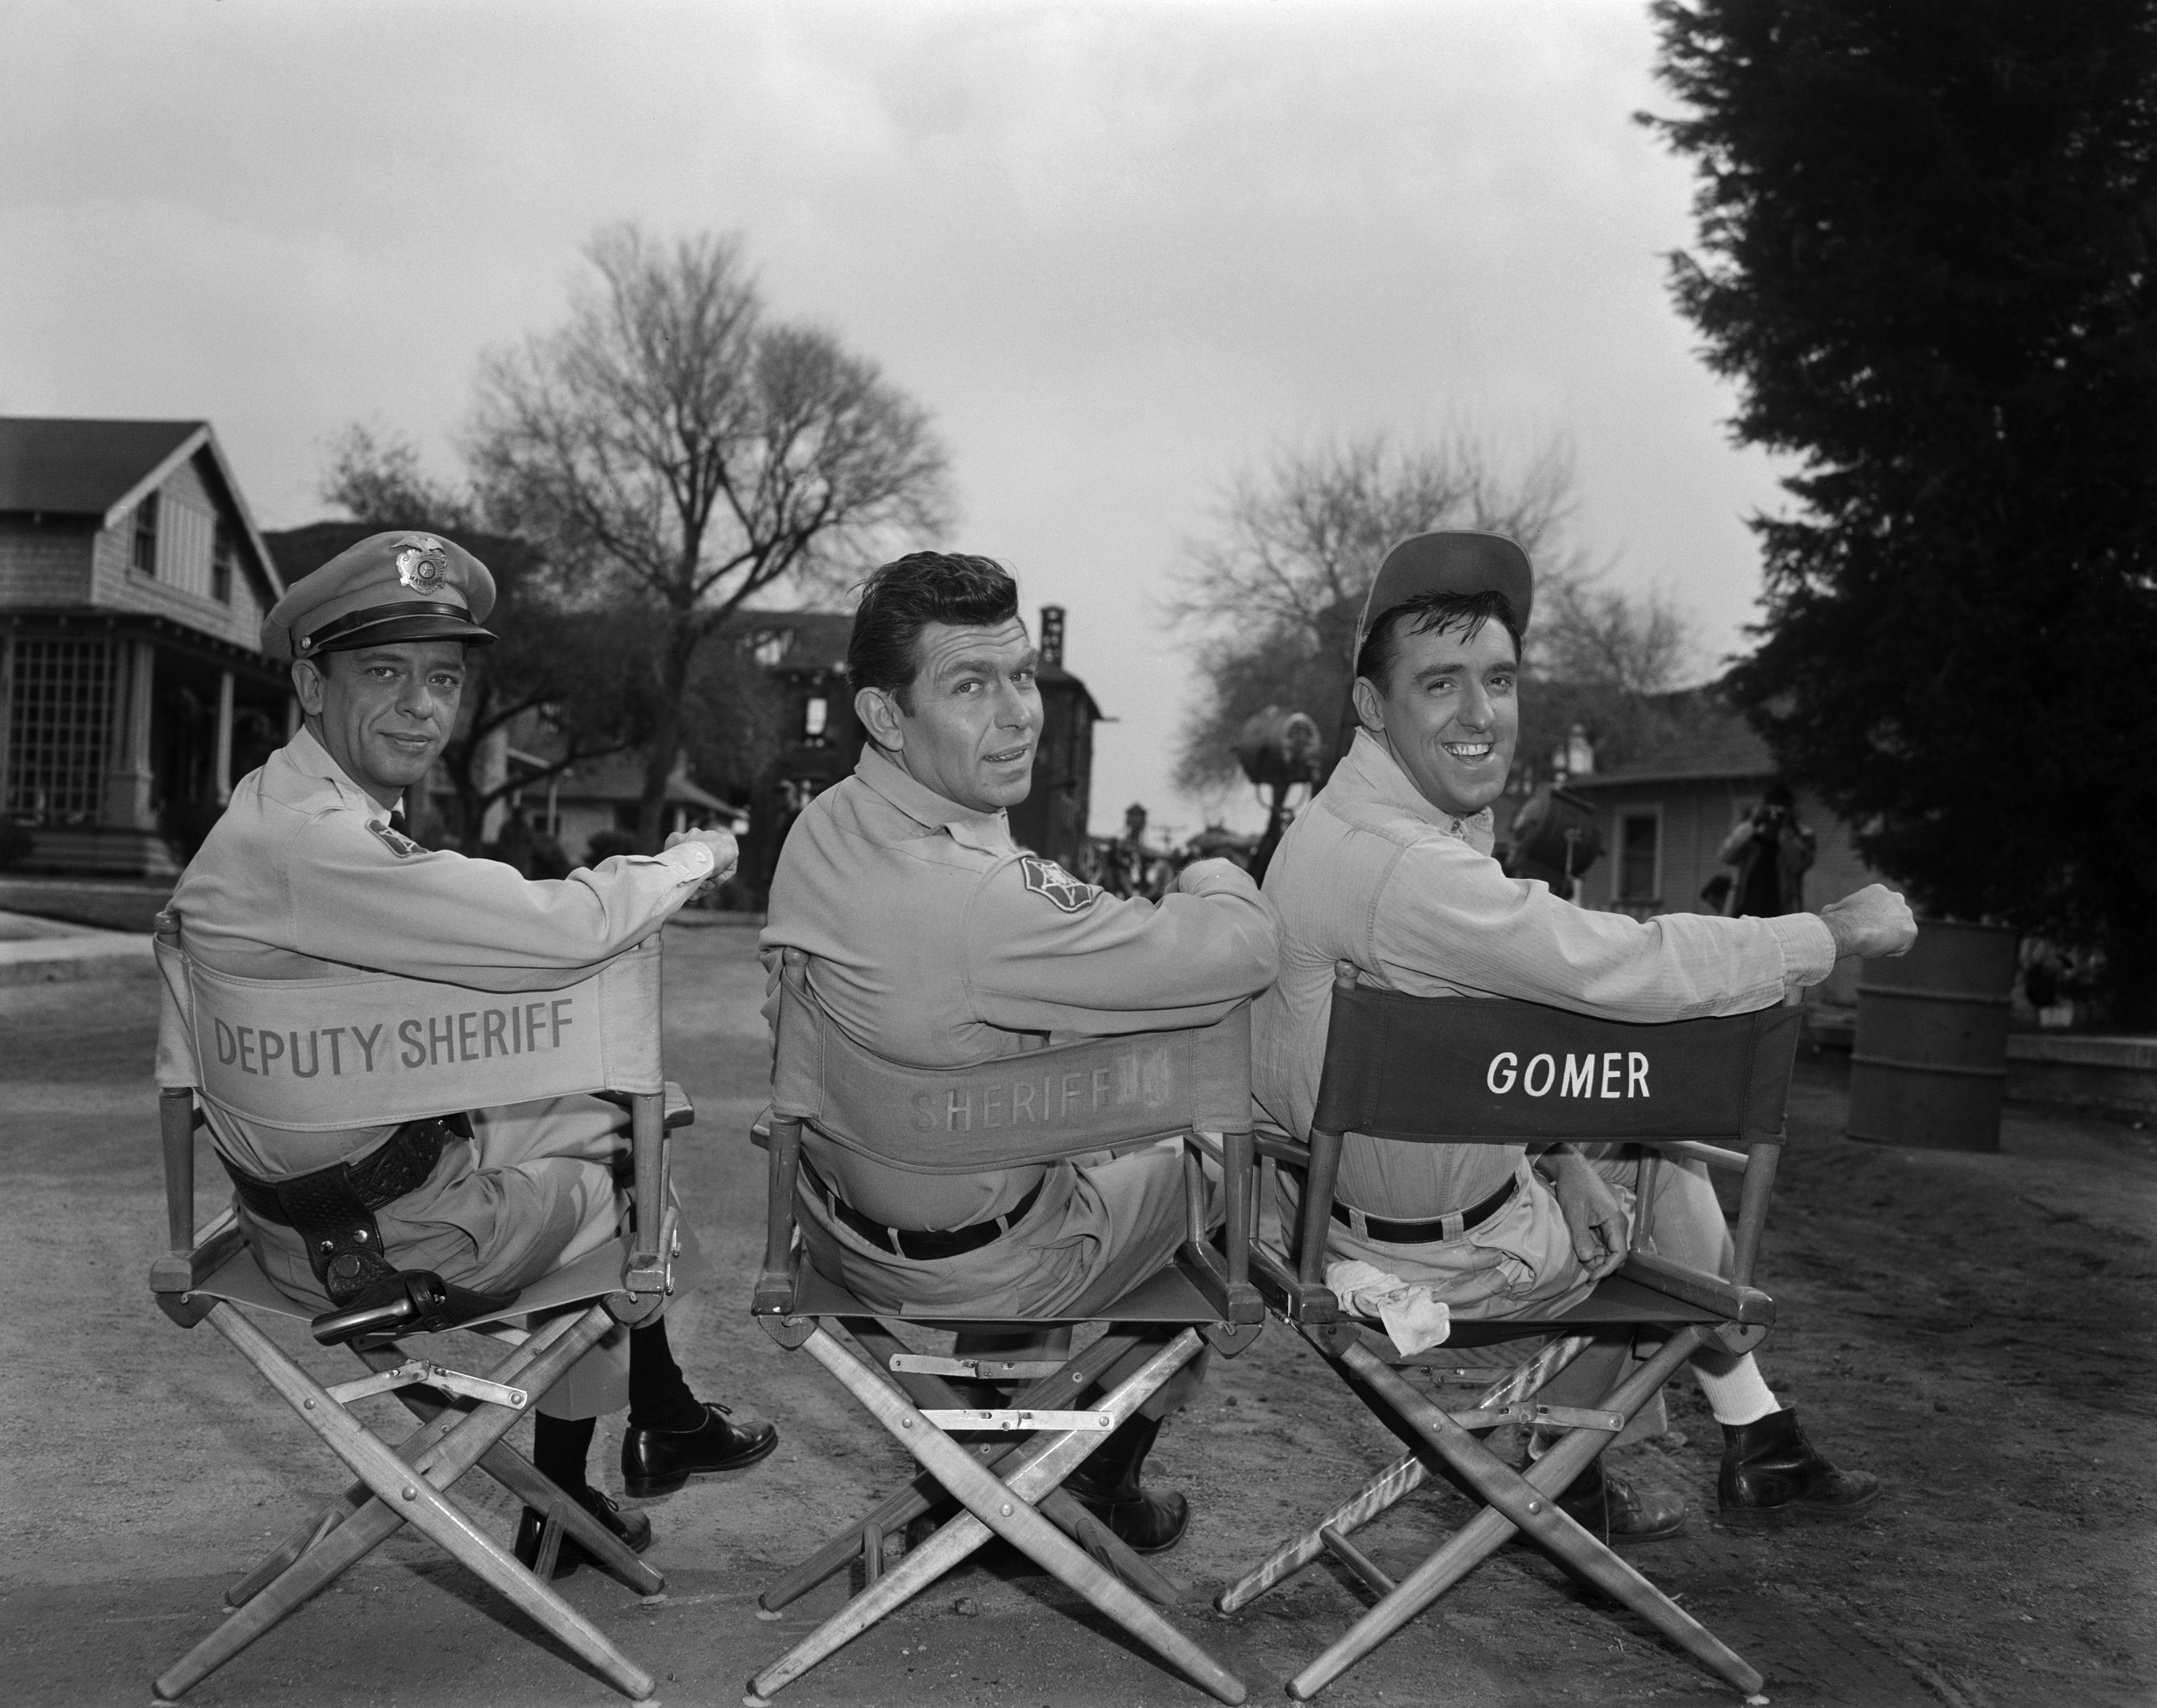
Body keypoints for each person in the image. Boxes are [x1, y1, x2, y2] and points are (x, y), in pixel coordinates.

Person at [1255, 529, 1919, 1541]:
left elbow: (1484, 1055)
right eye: (1440, 684)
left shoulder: (1352, 832)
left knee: (1627, 1155)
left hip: (1343, 1201)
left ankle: (1705, 1445)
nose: (1481, 714)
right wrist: (1823, 934)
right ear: (1370, 705)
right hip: (1440, 1261)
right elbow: (1620, 968)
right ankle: (1673, 1446)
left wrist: (1557, 1155)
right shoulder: (1404, 869)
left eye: (1500, 678)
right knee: (1671, 1169)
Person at [169, 530, 778, 1579]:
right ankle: (607, 1460)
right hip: (378, 1242)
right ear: (312, 684)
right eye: (385, 673)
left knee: (591, 1108)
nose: (420, 704)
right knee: (635, 1157)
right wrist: (697, 854)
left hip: (306, 1198)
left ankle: (614, 1461)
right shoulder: (317, 846)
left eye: (441, 678)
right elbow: (570, 930)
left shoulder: (274, 811)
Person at [761, 552, 1277, 1553]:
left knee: (1040, 1151)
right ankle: (1092, 1464)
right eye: (969, 685)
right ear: (881, 716)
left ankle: (981, 1466)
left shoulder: (821, 828)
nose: (1017, 713)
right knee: (1230, 1182)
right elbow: (1238, 954)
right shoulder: (981, 897)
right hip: (980, 1264)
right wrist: (1218, 871)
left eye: (1020, 676)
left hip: (835, 1225)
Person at [1720, 780, 1816, 917]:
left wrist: (1785, 832)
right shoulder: (1751, 832)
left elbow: (1798, 865)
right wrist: (1752, 824)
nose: (1774, 816)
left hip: (1782, 913)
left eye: (1780, 812)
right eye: (1771, 810)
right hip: (1745, 910)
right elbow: (1726, 856)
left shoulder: (1803, 835)